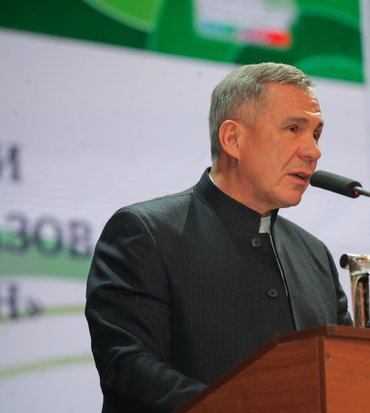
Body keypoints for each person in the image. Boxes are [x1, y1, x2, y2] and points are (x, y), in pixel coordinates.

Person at [84, 62, 353, 413]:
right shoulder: (146, 231)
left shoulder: (314, 255)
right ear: (233, 139)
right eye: (293, 129)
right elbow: (130, 367)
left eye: (316, 134)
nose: (313, 151)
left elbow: (347, 374)